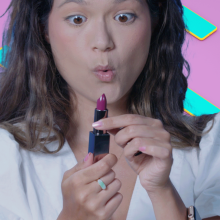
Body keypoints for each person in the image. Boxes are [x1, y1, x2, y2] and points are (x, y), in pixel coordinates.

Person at [0, 0, 219, 219]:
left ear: (155, 20)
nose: (103, 42)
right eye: (77, 19)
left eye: (124, 17)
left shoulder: (210, 147)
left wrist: (164, 193)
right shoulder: (7, 154)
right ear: (43, 27)